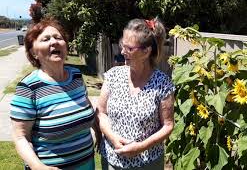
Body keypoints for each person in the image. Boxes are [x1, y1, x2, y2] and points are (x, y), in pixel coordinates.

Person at [10, 17, 96, 170]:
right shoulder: (28, 87)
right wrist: (38, 167)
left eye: (58, 38)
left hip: (87, 163)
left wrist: (98, 129)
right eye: (45, 39)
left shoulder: (76, 75)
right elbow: (20, 136)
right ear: (33, 52)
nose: (54, 42)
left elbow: (86, 104)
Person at [96, 18, 175, 169]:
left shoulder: (163, 84)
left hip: (147, 163)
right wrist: (112, 138)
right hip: (112, 160)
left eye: (129, 48)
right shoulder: (113, 76)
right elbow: (101, 113)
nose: (122, 51)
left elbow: (168, 125)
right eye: (122, 46)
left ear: (146, 51)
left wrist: (141, 147)